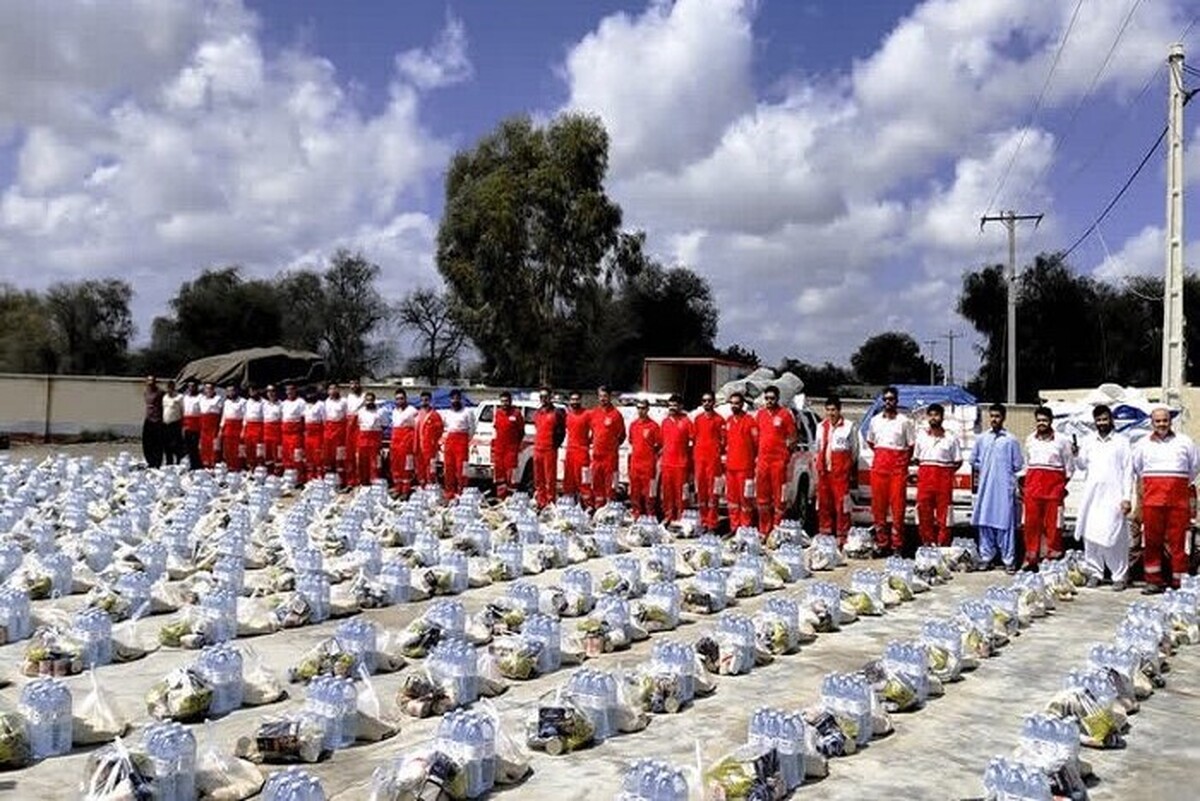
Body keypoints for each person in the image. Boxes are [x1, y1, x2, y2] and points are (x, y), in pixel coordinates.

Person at [1131, 405, 1199, 594]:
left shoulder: (1185, 442)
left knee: (1179, 543)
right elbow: (1138, 469)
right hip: (1153, 502)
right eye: (1158, 421)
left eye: (1165, 420)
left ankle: (1180, 580)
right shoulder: (1142, 444)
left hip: (1178, 502)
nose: (1162, 424)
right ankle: (1153, 581)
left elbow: (1193, 469)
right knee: (1152, 542)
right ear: (1152, 423)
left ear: (1170, 422)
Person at [1075, 404, 1133, 591]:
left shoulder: (1122, 442)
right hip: (1092, 498)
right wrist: (1076, 454)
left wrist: (1126, 498)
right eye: (1098, 420)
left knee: (1115, 537)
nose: (1102, 423)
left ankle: (1119, 576)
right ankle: (1095, 573)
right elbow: (1082, 465)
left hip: (1113, 498)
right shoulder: (1089, 441)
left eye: (1105, 419)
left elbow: (1128, 472)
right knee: (1091, 537)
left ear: (1111, 420)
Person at [1021, 406, 1075, 569]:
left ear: (1051, 421)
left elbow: (1069, 468)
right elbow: (1026, 464)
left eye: (1045, 420)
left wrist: (1060, 487)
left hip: (1053, 491)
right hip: (1033, 491)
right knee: (1031, 525)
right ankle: (1031, 558)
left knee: (1054, 527)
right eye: (1039, 420)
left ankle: (1052, 560)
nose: (1041, 423)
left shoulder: (1062, 441)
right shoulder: (1030, 439)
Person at [972, 403, 1024, 573]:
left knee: (1005, 524)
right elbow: (974, 460)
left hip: (1003, 489)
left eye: (997, 416)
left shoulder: (1011, 440)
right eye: (992, 416)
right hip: (986, 488)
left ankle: (1008, 560)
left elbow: (1018, 465)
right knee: (984, 522)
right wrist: (988, 470)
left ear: (1003, 418)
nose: (994, 419)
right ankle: (986, 557)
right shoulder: (982, 439)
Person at [866, 386, 915, 556]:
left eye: (891, 399)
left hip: (897, 471)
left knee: (898, 509)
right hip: (879, 468)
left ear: (896, 401)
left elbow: (910, 446)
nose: (888, 402)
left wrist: (901, 464)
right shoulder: (875, 421)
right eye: (885, 399)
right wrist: (882, 459)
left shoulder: (904, 421)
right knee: (878, 509)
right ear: (882, 401)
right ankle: (882, 543)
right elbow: (871, 443)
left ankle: (897, 545)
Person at [913, 403, 961, 547]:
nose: (934, 418)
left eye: (937, 415)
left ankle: (942, 546)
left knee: (944, 516)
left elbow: (957, 462)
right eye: (931, 415)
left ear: (942, 417)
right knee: (924, 513)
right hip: (925, 481)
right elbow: (916, 459)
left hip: (943, 482)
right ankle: (927, 544)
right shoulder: (921, 437)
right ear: (928, 417)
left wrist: (945, 473)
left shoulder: (951, 438)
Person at [814, 395, 856, 543]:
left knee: (842, 506)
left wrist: (848, 470)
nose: (831, 413)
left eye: (833, 410)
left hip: (840, 474)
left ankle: (842, 535)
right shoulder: (821, 427)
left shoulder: (849, 426)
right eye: (828, 410)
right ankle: (825, 533)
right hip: (824, 472)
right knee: (824, 504)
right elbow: (818, 448)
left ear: (839, 410)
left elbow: (854, 451)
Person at [724, 391, 759, 531]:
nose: (734, 406)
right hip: (731, 468)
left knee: (745, 500)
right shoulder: (728, 421)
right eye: (732, 403)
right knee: (732, 501)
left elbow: (757, 443)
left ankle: (745, 528)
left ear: (742, 404)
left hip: (745, 468)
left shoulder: (750, 421)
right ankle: (734, 527)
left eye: (737, 403)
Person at [692, 392, 726, 533]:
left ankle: (712, 523)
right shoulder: (698, 419)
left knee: (713, 492)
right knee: (701, 492)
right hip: (700, 460)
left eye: (709, 400)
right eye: (704, 400)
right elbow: (694, 438)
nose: (706, 403)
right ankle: (703, 520)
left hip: (713, 462)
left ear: (714, 402)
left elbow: (724, 441)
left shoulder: (719, 420)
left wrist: (716, 452)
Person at [589, 386, 626, 509]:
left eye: (605, 396)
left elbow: (622, 436)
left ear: (610, 397)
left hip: (610, 458)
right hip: (596, 457)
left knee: (610, 487)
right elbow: (592, 433)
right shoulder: (594, 413)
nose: (602, 399)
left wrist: (611, 447)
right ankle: (598, 510)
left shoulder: (616, 415)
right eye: (600, 396)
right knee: (596, 486)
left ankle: (610, 512)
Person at [659, 394, 694, 523]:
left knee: (681, 494)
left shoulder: (686, 422)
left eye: (675, 405)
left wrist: (690, 466)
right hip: (667, 464)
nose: (672, 407)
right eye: (670, 405)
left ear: (681, 406)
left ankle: (681, 517)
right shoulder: (665, 422)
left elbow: (691, 443)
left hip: (681, 464)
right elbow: (662, 442)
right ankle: (668, 516)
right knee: (667, 493)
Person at [628, 399, 662, 519]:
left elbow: (659, 445)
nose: (641, 411)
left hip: (648, 466)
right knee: (635, 492)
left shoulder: (654, 426)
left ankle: (650, 516)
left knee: (650, 493)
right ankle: (636, 515)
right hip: (635, 465)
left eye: (643, 408)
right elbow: (631, 441)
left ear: (648, 409)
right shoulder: (633, 425)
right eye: (639, 408)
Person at [532, 388, 566, 508]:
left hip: (549, 449)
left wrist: (554, 445)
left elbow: (561, 432)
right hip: (537, 449)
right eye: (541, 397)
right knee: (538, 478)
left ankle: (550, 502)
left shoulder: (557, 413)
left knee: (550, 479)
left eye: (546, 396)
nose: (543, 399)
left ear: (550, 397)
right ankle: (541, 502)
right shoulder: (537, 413)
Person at [441, 389, 475, 499]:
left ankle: (461, 492)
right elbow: (444, 427)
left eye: (457, 398)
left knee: (461, 468)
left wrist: (466, 440)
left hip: (462, 440)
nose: (455, 400)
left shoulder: (467, 412)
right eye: (453, 398)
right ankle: (449, 491)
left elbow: (472, 429)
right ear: (450, 400)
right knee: (449, 468)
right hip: (450, 440)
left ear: (460, 399)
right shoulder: (447, 413)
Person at [491, 391, 525, 500]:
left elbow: (521, 432)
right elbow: (496, 429)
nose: (504, 403)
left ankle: (511, 499)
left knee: (511, 476)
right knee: (500, 476)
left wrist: (515, 445)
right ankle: (500, 498)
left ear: (510, 401)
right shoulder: (498, 413)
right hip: (499, 450)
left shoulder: (516, 413)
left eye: (506, 401)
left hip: (511, 450)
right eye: (502, 401)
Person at [563, 391, 592, 505]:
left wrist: (589, 441)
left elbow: (596, 431)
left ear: (581, 400)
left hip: (582, 453)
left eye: (577, 399)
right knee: (568, 482)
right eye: (572, 399)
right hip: (570, 452)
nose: (574, 402)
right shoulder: (568, 415)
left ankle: (588, 506)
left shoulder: (587, 414)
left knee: (584, 482)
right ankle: (569, 506)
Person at [389, 388, 418, 497]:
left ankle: (406, 490)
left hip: (406, 442)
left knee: (406, 466)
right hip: (395, 441)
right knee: (395, 466)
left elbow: (417, 427)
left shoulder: (412, 410)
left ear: (406, 399)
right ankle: (397, 488)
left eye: (401, 398)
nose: (399, 401)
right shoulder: (394, 411)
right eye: (397, 399)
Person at [322, 383, 349, 486]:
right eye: (330, 388)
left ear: (338, 390)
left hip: (340, 432)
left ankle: (341, 480)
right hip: (329, 431)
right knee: (328, 456)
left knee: (340, 457)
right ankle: (329, 480)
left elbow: (346, 416)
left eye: (335, 388)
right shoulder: (326, 402)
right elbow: (325, 418)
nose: (332, 390)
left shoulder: (343, 401)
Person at [416, 391, 444, 487]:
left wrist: (434, 442)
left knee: (430, 469)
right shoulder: (418, 414)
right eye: (422, 400)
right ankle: (422, 486)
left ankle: (431, 487)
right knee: (420, 468)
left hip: (430, 448)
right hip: (419, 447)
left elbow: (440, 431)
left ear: (430, 401)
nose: (424, 402)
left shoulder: (435, 415)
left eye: (426, 400)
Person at [355, 392, 384, 485]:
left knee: (375, 463)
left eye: (371, 400)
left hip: (374, 440)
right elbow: (358, 425)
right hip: (363, 439)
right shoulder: (360, 411)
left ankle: (375, 483)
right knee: (362, 463)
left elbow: (384, 425)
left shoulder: (380, 412)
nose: (369, 402)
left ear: (374, 401)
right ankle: (363, 483)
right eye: (367, 400)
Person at [280, 385, 306, 478]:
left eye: (291, 389)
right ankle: (289, 477)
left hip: (296, 433)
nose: (289, 392)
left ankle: (300, 476)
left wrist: (302, 431)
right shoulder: (284, 403)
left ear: (295, 390)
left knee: (297, 455)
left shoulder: (301, 402)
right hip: (285, 433)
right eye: (287, 390)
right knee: (286, 454)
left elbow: (304, 418)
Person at [218, 384, 246, 471]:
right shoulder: (226, 402)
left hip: (238, 426)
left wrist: (244, 429)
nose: (230, 393)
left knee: (237, 448)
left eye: (232, 390)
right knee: (227, 448)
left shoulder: (243, 401)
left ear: (237, 391)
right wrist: (221, 429)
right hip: (228, 427)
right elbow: (224, 416)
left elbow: (245, 416)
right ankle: (229, 466)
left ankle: (238, 467)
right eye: (228, 391)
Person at [344, 380, 366, 487]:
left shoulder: (365, 396)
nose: (353, 386)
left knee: (360, 455)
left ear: (360, 384)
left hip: (360, 426)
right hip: (350, 426)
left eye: (356, 383)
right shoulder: (348, 398)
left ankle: (361, 480)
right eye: (351, 384)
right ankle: (351, 480)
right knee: (349, 454)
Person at [301, 390, 325, 482]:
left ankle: (319, 477)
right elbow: (303, 419)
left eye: (312, 394)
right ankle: (310, 478)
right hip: (308, 434)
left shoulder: (320, 405)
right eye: (308, 394)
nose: (310, 396)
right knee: (309, 456)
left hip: (317, 433)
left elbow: (324, 420)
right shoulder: (305, 405)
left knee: (318, 456)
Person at [142, 376, 165, 468]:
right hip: (148, 418)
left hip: (158, 419)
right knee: (147, 442)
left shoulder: (160, 393)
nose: (150, 383)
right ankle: (150, 461)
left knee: (158, 443)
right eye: (149, 381)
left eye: (152, 381)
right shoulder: (145, 392)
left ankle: (157, 461)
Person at [198, 383, 222, 468]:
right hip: (204, 425)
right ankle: (204, 462)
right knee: (204, 444)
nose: (208, 390)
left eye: (210, 389)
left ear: (213, 390)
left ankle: (213, 463)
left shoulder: (217, 399)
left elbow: (218, 413)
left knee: (214, 445)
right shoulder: (201, 399)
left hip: (213, 425)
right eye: (206, 389)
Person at [160, 380, 183, 466]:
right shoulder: (165, 397)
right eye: (168, 388)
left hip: (175, 423)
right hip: (166, 424)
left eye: (171, 388)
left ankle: (178, 461)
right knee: (166, 444)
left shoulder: (179, 397)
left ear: (174, 388)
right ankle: (169, 461)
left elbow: (182, 410)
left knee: (176, 444)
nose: (169, 390)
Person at [241, 386, 265, 471]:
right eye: (250, 391)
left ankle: (260, 468)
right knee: (249, 448)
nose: (252, 393)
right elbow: (245, 416)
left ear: (258, 390)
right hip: (249, 427)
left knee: (259, 449)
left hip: (259, 427)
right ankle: (250, 467)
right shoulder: (247, 402)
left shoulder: (263, 402)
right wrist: (243, 430)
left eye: (254, 390)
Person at [181, 381, 203, 470]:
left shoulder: (200, 398)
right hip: (187, 424)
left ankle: (197, 465)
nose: (191, 388)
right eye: (189, 386)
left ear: (196, 387)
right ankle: (191, 464)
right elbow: (183, 411)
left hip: (196, 424)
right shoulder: (185, 398)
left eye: (193, 386)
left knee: (195, 446)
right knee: (188, 446)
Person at [262, 386, 283, 473]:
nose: (271, 393)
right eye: (269, 391)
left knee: (277, 453)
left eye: (273, 391)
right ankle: (269, 472)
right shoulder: (264, 404)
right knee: (267, 452)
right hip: (267, 430)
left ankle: (278, 472)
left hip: (277, 431)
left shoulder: (281, 404)